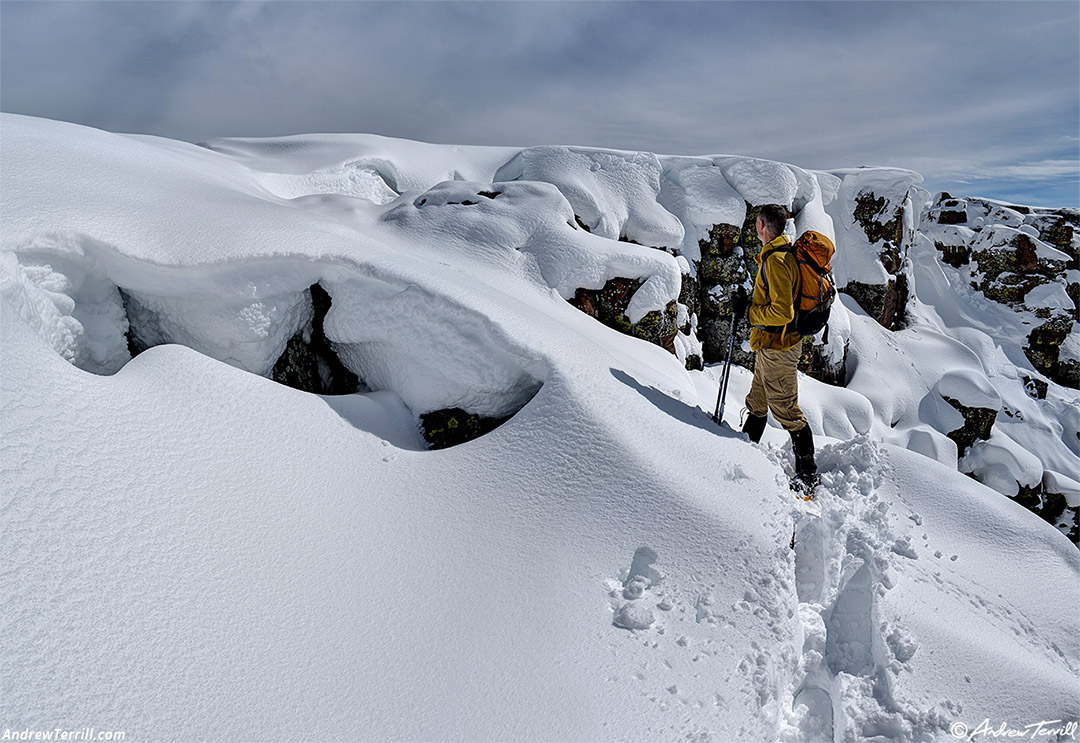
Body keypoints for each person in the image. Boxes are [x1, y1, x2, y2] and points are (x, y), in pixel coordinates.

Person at [734, 204, 818, 492]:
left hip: (779, 348)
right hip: (771, 345)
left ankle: (808, 475)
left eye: (756, 223)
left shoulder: (776, 261)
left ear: (761, 226)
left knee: (786, 411)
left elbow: (782, 312)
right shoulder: (778, 255)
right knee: (757, 403)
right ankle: (743, 454)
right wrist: (752, 302)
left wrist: (750, 314)